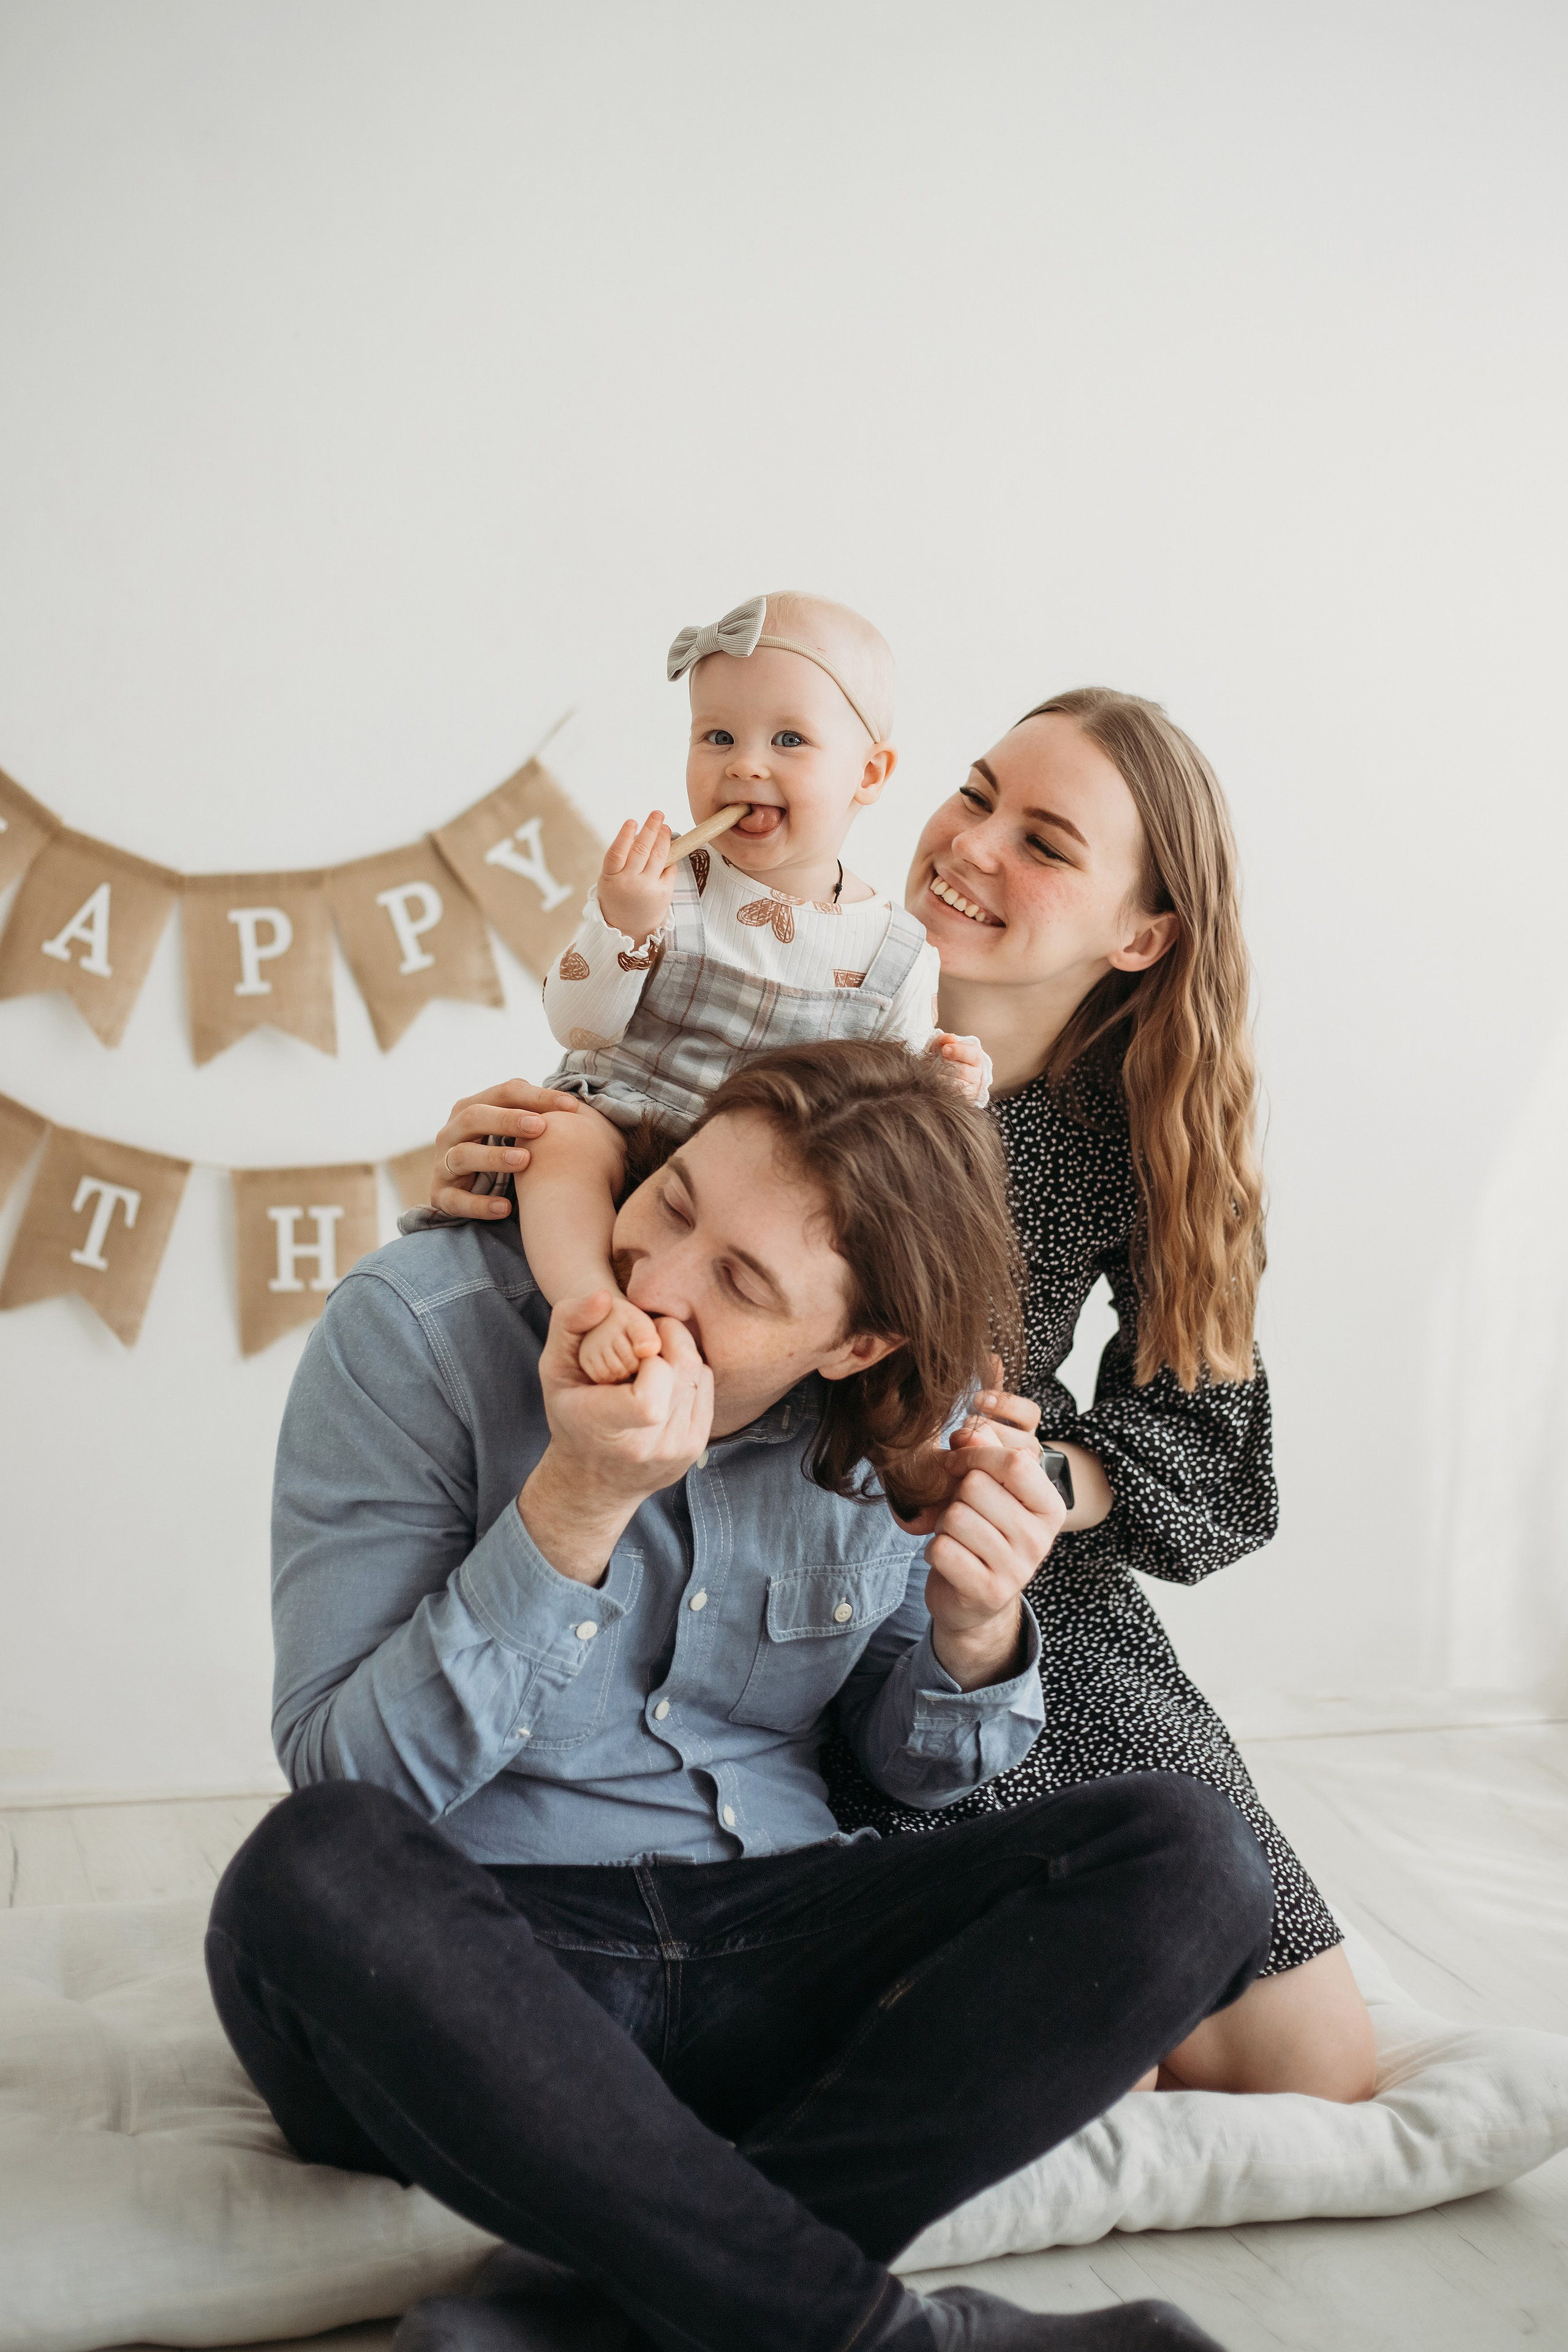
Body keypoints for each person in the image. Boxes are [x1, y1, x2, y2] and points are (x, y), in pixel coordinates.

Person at [208, 1041, 1272, 2352]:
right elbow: (347, 1776)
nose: (652, 1282)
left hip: (772, 1955)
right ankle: (888, 2341)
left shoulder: (904, 1414)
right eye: (671, 1203)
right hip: (482, 1989)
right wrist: (574, 1505)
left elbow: (914, 1764)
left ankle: (582, 2324)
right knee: (306, 1869)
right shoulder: (416, 1329)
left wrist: (975, 1629)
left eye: (742, 1282)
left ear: (857, 1342)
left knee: (1191, 1857)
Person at [428, 689, 1377, 2105]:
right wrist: (479, 1170)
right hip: (775, 1584)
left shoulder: (1127, 1131)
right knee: (1026, 2054)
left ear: (1140, 935)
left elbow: (1210, 1456)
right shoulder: (777, 1012)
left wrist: (1019, 1485)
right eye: (976, 793)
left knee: (1310, 2074)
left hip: (1008, 1591)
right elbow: (587, 1231)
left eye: (1043, 842)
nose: (972, 844)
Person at [509, 590, 989, 1387]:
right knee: (557, 1136)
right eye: (718, 736)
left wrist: (948, 1083)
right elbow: (578, 1029)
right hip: (625, 1123)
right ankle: (592, 1302)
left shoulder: (896, 951)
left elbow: (892, 1112)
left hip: (763, 1192)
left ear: (869, 773)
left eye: (789, 739)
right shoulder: (664, 885)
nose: (744, 764)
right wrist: (625, 925)